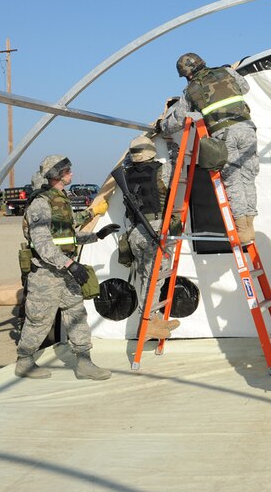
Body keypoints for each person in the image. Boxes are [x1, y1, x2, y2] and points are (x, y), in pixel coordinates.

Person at [15, 155, 120, 380]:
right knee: (39, 320)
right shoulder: (40, 203)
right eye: (68, 171)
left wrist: (96, 236)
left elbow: (67, 236)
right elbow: (42, 244)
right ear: (57, 175)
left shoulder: (59, 198)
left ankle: (84, 363)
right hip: (46, 274)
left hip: (65, 271)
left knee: (77, 315)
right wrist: (70, 264)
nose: (72, 174)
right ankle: (24, 360)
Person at [161, 53, 259, 244]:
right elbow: (245, 88)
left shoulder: (191, 89)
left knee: (234, 181)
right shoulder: (226, 72)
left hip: (224, 134)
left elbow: (179, 119)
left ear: (187, 74)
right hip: (247, 129)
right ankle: (249, 225)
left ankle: (242, 229)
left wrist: (162, 126)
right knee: (248, 177)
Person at [122, 135, 180, 340]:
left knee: (149, 278)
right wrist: (171, 142)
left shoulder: (126, 173)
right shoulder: (161, 171)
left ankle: (153, 318)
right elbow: (177, 161)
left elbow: (131, 160)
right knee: (153, 280)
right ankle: (147, 323)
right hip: (154, 230)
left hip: (136, 231)